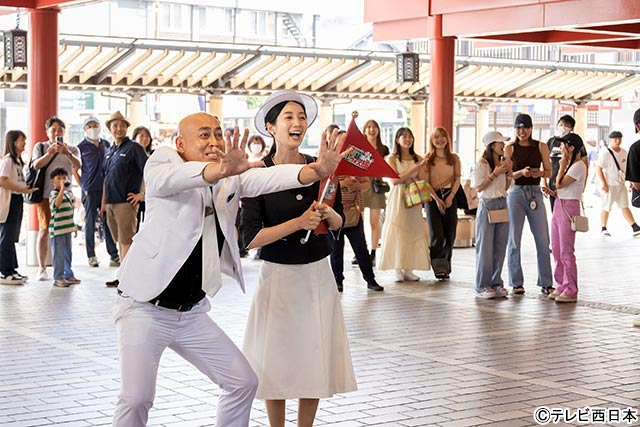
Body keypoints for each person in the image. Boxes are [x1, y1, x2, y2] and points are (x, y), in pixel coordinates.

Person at [112, 110, 344, 426]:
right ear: (180, 143)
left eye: (218, 133)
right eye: (204, 134)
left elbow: (266, 177)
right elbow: (168, 180)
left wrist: (314, 170)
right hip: (144, 307)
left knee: (242, 382)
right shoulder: (163, 161)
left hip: (191, 313)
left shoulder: (230, 174)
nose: (214, 140)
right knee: (136, 398)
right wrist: (215, 171)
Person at [240, 90, 357, 427]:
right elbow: (250, 238)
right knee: (274, 359)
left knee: (313, 354)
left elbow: (339, 220)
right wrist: (296, 222)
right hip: (278, 276)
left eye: (301, 117)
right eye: (288, 117)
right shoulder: (256, 173)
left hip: (317, 275)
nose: (297, 123)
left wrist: (327, 216)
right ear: (271, 127)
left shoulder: (319, 166)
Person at [326, 126, 384, 292]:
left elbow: (366, 184)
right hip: (335, 213)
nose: (344, 143)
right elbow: (325, 186)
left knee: (361, 248)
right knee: (336, 250)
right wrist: (342, 184)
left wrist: (358, 185)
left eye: (347, 140)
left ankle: (370, 280)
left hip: (354, 212)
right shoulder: (329, 161)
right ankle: (338, 281)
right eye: (341, 140)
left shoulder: (355, 160)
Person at [505, 113, 554, 295]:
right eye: (518, 127)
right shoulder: (509, 148)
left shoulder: (541, 146)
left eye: (525, 127)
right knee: (514, 239)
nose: (522, 131)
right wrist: (521, 173)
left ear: (531, 128)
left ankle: (546, 282)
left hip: (535, 194)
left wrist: (538, 174)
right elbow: (507, 175)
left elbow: (549, 172)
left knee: (543, 240)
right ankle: (516, 282)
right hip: (516, 194)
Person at [31, 117, 81, 281]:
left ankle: (67, 271)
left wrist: (67, 153)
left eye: (60, 130)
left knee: (65, 232)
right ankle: (42, 268)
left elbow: (78, 165)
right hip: (46, 195)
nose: (57, 133)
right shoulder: (41, 146)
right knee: (45, 231)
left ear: (64, 132)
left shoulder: (72, 148)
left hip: (66, 196)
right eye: (53, 130)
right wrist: (49, 153)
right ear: (47, 132)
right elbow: (35, 165)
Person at [101, 111, 147, 287]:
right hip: (111, 203)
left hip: (126, 203)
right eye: (115, 125)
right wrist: (103, 203)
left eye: (122, 125)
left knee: (127, 241)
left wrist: (142, 195)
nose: (118, 129)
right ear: (110, 129)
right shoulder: (110, 151)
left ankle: (127, 279)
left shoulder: (134, 148)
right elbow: (106, 178)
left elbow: (148, 171)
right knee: (119, 241)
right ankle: (122, 276)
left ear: (127, 128)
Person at [378, 127, 430, 282]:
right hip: (398, 197)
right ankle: (397, 268)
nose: (408, 139)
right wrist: (412, 171)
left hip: (413, 197)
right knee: (397, 228)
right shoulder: (391, 158)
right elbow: (394, 180)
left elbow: (422, 178)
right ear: (397, 140)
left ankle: (409, 268)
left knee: (413, 230)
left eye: (410, 137)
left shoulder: (418, 158)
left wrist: (411, 175)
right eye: (404, 137)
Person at [471, 131, 512, 298]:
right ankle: (482, 285)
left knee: (500, 246)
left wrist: (508, 173)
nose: (504, 146)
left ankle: (496, 283)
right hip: (487, 204)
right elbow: (479, 187)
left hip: (503, 202)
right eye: (500, 143)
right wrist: (495, 173)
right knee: (485, 247)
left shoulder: (503, 162)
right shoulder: (482, 163)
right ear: (492, 145)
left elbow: (506, 187)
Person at [548, 133, 587, 303]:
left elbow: (559, 183)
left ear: (572, 148)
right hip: (559, 203)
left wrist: (562, 165)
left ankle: (571, 289)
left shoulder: (578, 166)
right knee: (556, 248)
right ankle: (561, 285)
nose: (561, 148)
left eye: (563, 145)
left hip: (569, 207)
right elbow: (559, 188)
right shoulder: (570, 165)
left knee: (566, 250)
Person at [77, 116, 120, 268]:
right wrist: (82, 185)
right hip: (90, 190)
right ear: (85, 129)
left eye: (95, 125)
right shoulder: (80, 147)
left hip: (106, 190)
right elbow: (75, 168)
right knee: (89, 222)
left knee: (107, 222)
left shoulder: (106, 144)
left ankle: (114, 255)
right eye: (89, 126)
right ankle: (91, 255)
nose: (93, 128)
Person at [421, 126, 461, 279]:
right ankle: (438, 268)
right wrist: (437, 200)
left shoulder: (454, 158)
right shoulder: (428, 159)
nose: (439, 140)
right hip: (432, 198)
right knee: (436, 234)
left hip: (451, 194)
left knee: (449, 234)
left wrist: (450, 197)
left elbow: (458, 178)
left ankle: (447, 265)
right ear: (432, 140)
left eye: (442, 136)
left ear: (447, 139)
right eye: (436, 137)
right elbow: (425, 182)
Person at [0, 130, 37, 285]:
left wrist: (23, 189)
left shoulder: (17, 161)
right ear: (14, 142)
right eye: (22, 140)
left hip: (17, 199)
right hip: (9, 200)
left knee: (12, 237)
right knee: (6, 237)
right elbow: (2, 180)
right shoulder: (7, 160)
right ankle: (4, 272)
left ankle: (12, 269)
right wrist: (20, 189)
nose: (24, 143)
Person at [596, 130, 640, 237]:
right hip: (609, 184)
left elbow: (629, 169)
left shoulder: (625, 152)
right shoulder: (605, 152)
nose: (618, 140)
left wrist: (630, 181)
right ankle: (603, 227)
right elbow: (599, 168)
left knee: (624, 205)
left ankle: (634, 226)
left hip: (621, 184)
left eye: (619, 138)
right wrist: (603, 183)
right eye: (615, 138)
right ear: (610, 140)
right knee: (606, 206)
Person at [543, 115, 587, 210]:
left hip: (568, 184)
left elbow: (585, 163)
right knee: (555, 212)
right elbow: (544, 162)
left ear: (571, 128)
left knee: (566, 214)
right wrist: (544, 182)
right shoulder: (551, 141)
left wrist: (583, 185)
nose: (563, 127)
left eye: (567, 125)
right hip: (553, 183)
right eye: (561, 124)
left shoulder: (576, 143)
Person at [361, 119, 389, 265]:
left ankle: (373, 252)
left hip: (377, 187)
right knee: (359, 222)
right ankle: (361, 251)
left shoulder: (384, 149)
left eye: (374, 127)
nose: (372, 130)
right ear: (364, 130)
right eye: (369, 127)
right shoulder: (359, 148)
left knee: (374, 222)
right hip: (360, 185)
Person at [48, 168, 80, 288]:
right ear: (52, 181)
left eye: (64, 178)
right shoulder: (53, 193)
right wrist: (62, 188)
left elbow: (70, 211)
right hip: (57, 230)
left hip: (67, 229)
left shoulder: (69, 194)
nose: (62, 180)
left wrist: (74, 227)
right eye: (59, 178)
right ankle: (58, 277)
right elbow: (56, 203)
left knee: (67, 254)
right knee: (59, 254)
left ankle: (68, 274)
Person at [132, 126, 153, 230]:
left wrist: (144, 195)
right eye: (141, 136)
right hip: (134, 197)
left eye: (147, 136)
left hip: (149, 197)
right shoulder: (130, 156)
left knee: (147, 228)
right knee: (133, 229)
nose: (144, 138)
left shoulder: (154, 155)